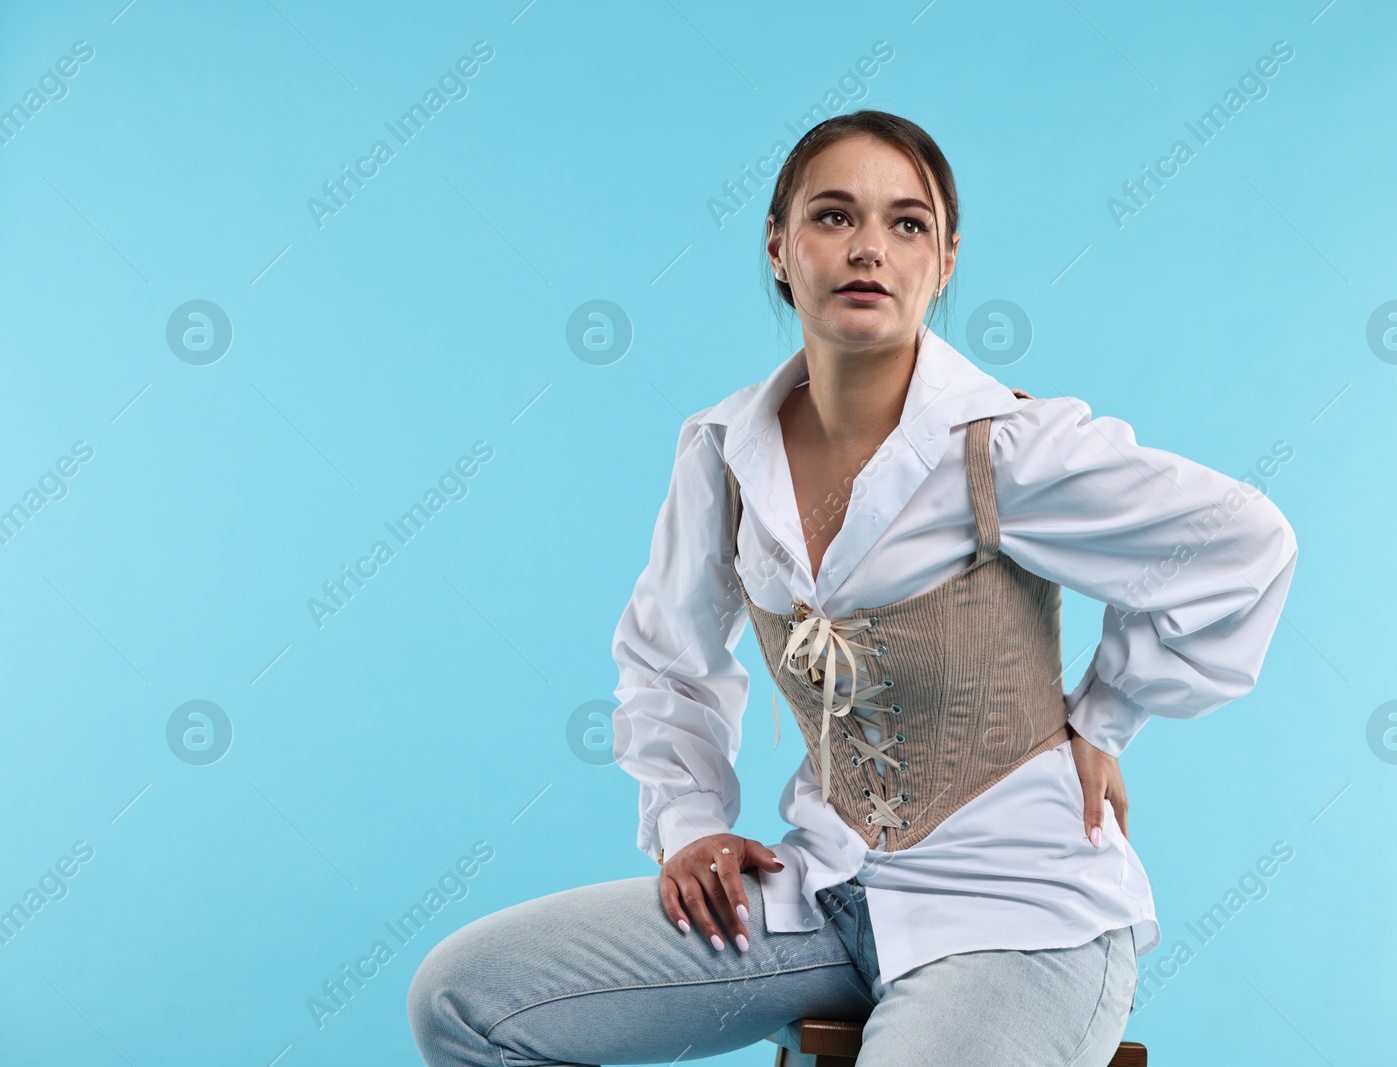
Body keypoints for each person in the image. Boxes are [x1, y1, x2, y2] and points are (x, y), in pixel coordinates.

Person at [408, 109, 1298, 1067]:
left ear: (945, 260)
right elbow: (665, 656)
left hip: (1021, 908)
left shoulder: (1003, 445)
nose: (870, 247)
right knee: (469, 999)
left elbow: (1241, 541)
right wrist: (690, 824)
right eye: (834, 216)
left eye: (907, 224)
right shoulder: (724, 453)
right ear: (780, 247)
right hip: (827, 891)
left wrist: (1104, 716)